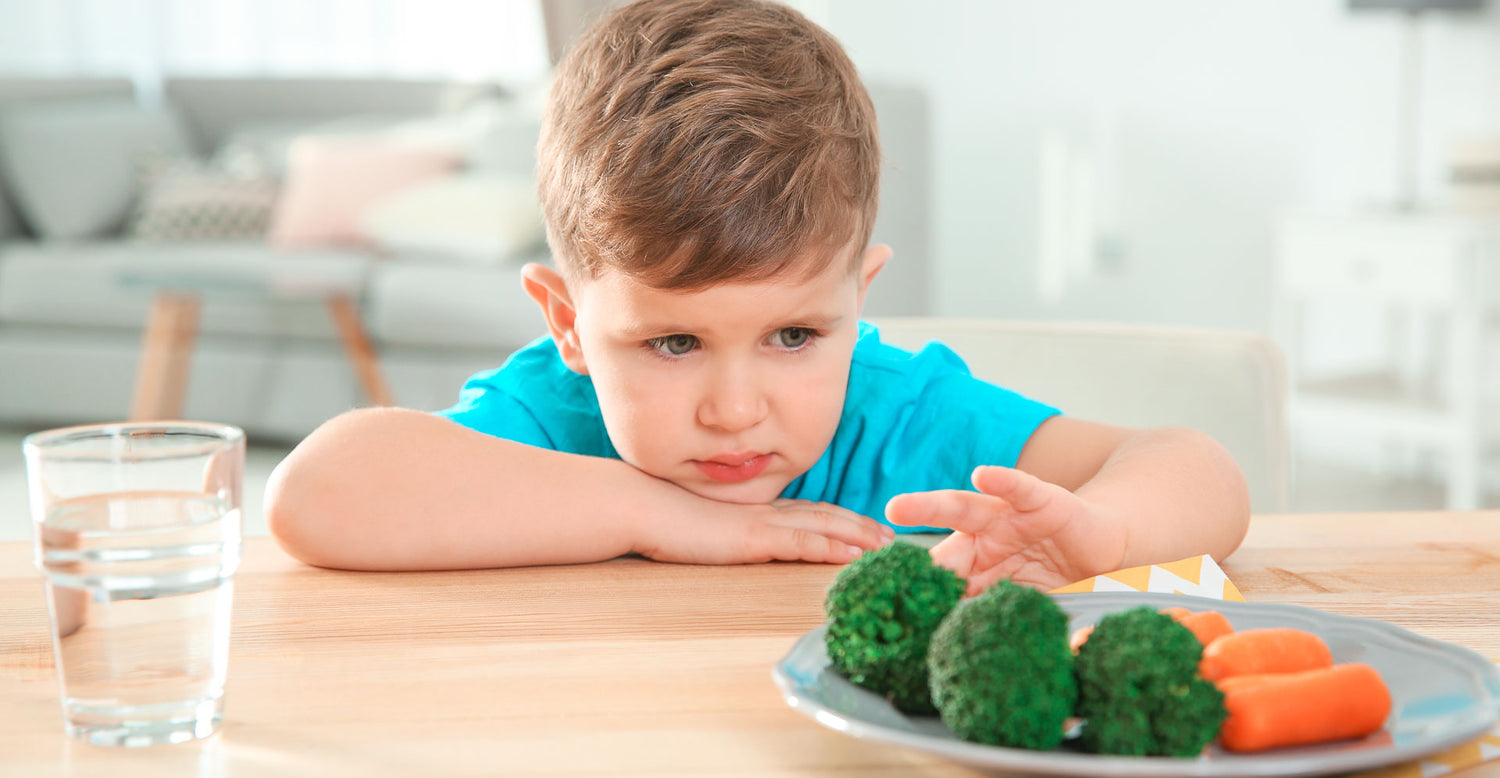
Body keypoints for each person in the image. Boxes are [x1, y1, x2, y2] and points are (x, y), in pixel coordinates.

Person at [265, 0, 1249, 591]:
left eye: (792, 334)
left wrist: (1107, 535)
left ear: (857, 304)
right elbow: (316, 492)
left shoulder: (897, 420)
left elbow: (1193, 467)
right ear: (569, 322)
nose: (735, 409)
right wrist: (659, 515)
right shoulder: (555, 423)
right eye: (673, 344)